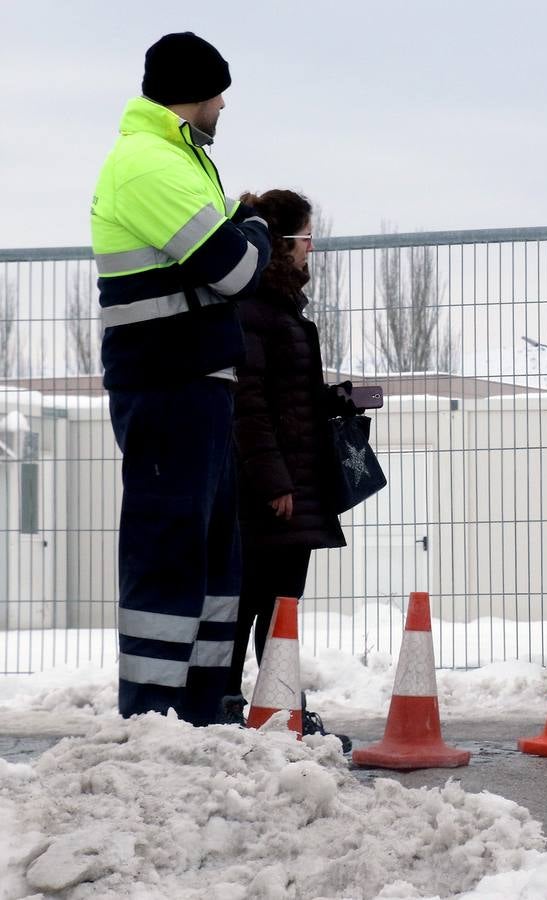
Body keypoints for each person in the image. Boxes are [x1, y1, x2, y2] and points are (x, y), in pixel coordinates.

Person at [91, 33, 272, 724]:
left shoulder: (178, 159)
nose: (224, 104)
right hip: (167, 383)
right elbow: (234, 271)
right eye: (218, 92)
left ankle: (202, 709)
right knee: (168, 548)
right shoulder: (148, 164)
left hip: (197, 380)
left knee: (213, 558)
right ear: (192, 94)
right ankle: (151, 718)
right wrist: (253, 229)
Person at [225, 189, 355, 751]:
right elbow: (248, 406)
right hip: (270, 492)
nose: (311, 251)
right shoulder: (257, 311)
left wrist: (335, 400)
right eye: (306, 240)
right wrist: (274, 481)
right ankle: (237, 707)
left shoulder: (277, 309)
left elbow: (284, 398)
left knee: (278, 604)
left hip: (288, 483)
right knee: (256, 602)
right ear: (282, 246)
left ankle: (276, 709)